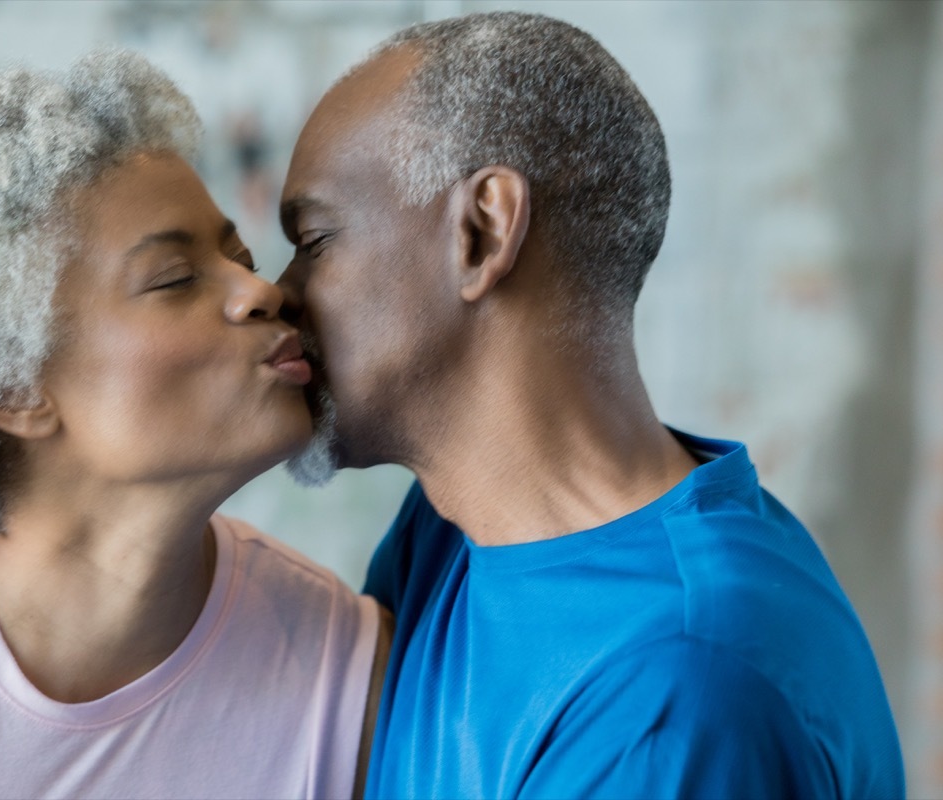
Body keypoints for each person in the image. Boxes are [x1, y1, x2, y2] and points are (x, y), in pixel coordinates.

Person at [277, 11, 904, 799]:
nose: (277, 294)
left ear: (480, 231)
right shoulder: (444, 533)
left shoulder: (676, 692)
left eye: (314, 240)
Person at [0, 51, 387, 799]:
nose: (260, 291)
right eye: (176, 279)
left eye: (238, 256)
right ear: (13, 388)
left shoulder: (344, 675)